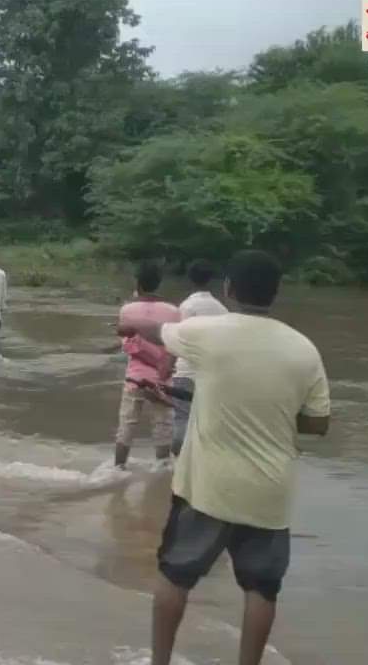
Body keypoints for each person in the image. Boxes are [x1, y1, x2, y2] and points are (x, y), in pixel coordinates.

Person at [118, 250, 331, 665]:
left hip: (206, 487)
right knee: (262, 588)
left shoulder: (206, 332)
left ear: (230, 289)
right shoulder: (304, 349)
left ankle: (160, 661)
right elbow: (319, 423)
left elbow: (160, 333)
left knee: (174, 576)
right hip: (269, 492)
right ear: (276, 293)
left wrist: (126, 321)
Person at [114, 261, 180, 469]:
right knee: (163, 427)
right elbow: (174, 347)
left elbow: (127, 345)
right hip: (162, 378)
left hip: (135, 377)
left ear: (138, 284)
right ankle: (162, 472)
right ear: (159, 284)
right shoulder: (173, 311)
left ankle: (118, 469)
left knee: (126, 425)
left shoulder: (127, 310)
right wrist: (161, 369)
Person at [170, 259, 229, 456]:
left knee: (182, 418)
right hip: (212, 375)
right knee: (206, 422)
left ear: (190, 279)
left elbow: (179, 339)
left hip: (186, 372)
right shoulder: (221, 309)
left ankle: (177, 466)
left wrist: (167, 366)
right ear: (211, 280)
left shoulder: (187, 306)